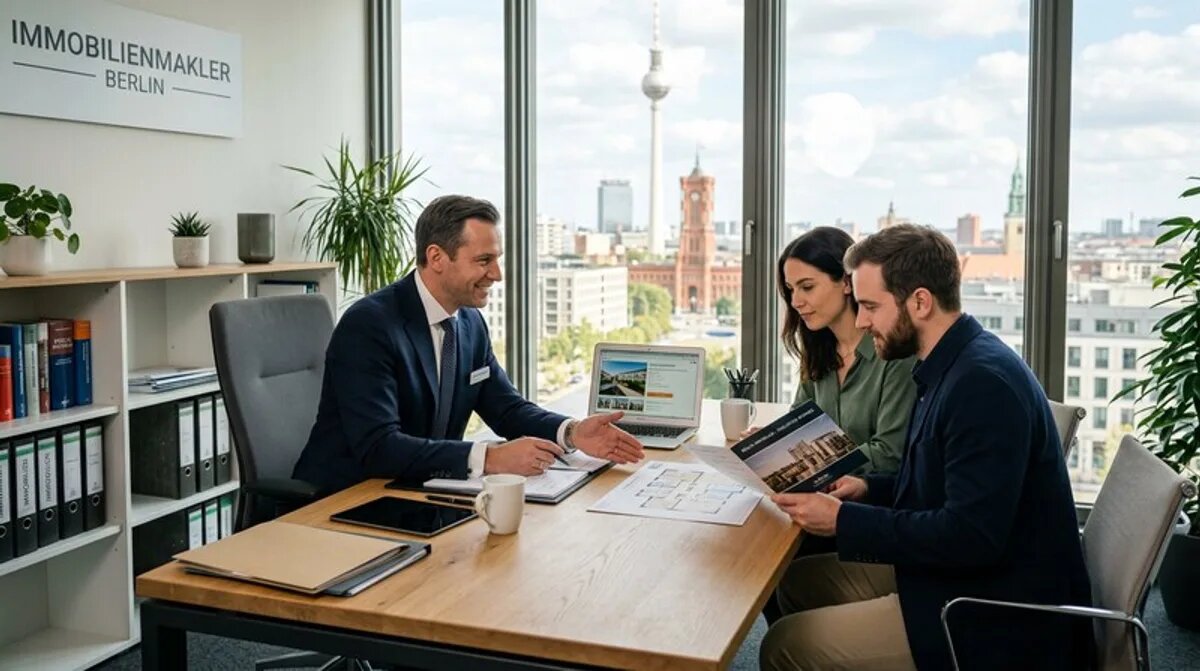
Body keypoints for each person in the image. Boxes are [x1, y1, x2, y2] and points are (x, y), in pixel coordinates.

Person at [760, 224, 1092, 671]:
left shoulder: (981, 386)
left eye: (871, 307)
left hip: (990, 608)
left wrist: (843, 519)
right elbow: (937, 481)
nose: (861, 321)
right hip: (956, 576)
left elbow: (970, 537)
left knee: (784, 645)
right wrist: (868, 489)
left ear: (920, 302)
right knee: (795, 583)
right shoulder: (950, 363)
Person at [294, 195, 644, 494]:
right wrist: (489, 458)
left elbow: (506, 409)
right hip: (345, 499)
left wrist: (572, 432)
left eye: (497, 259)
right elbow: (378, 447)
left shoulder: (469, 323)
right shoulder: (369, 325)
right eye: (483, 261)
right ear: (436, 258)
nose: (497, 274)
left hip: (421, 490)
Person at [776, 227, 917, 474]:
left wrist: (815, 462)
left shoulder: (895, 352)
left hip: (874, 496)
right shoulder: (818, 351)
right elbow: (800, 425)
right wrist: (772, 445)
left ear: (846, 282)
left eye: (807, 287)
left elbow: (889, 454)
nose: (796, 301)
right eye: (790, 289)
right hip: (820, 491)